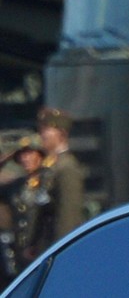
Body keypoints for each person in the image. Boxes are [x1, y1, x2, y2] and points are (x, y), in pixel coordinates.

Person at [0, 134, 51, 281]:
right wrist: (5, 158)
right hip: (21, 254)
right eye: (22, 155)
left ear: (40, 155)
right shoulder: (17, 185)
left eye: (30, 153)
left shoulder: (49, 180)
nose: (25, 158)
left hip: (43, 249)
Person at [36, 107, 85, 243]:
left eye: (46, 130)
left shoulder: (67, 167)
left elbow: (68, 215)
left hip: (58, 242)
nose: (42, 135)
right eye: (41, 130)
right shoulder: (51, 166)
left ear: (61, 134)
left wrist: (62, 246)